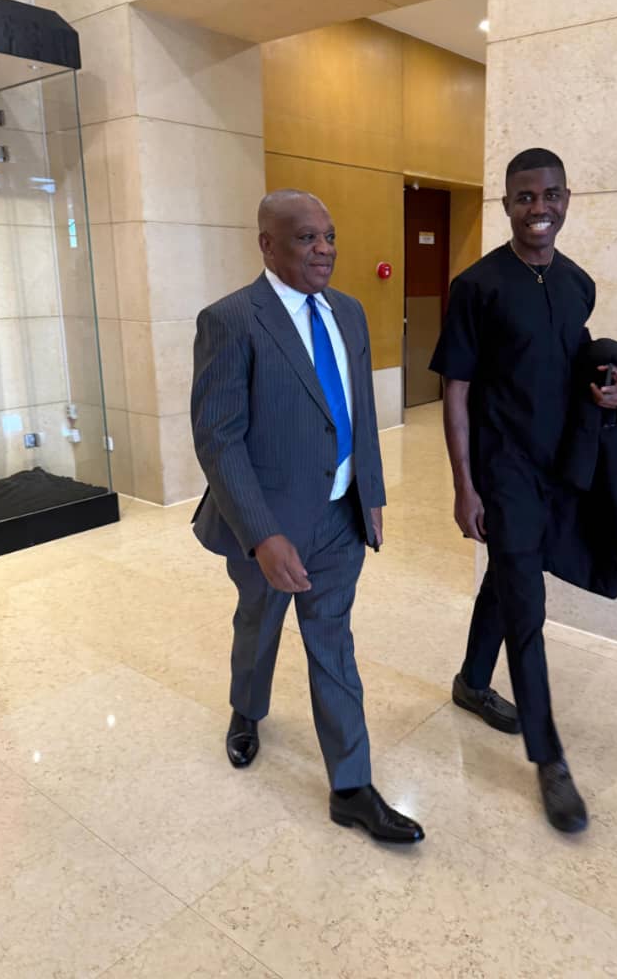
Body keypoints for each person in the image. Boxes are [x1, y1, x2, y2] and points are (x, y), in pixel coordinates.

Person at [190, 189, 424, 845]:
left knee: (333, 644)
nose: (324, 250)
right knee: (257, 626)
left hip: (340, 518)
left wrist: (370, 492)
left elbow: (358, 411)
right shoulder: (231, 321)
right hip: (267, 526)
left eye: (330, 236)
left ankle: (351, 788)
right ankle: (246, 710)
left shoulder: (348, 312)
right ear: (267, 244)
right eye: (306, 238)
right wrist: (262, 535)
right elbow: (218, 439)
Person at [429, 149, 617, 833]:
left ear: (567, 197)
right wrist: (464, 486)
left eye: (549, 195)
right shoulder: (476, 286)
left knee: (511, 578)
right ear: (507, 204)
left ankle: (471, 682)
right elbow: (456, 391)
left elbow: (570, 364)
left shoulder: (578, 284)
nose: (538, 208)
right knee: (527, 608)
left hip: (557, 469)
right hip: (503, 469)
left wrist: (609, 390)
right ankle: (550, 759)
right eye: (524, 197)